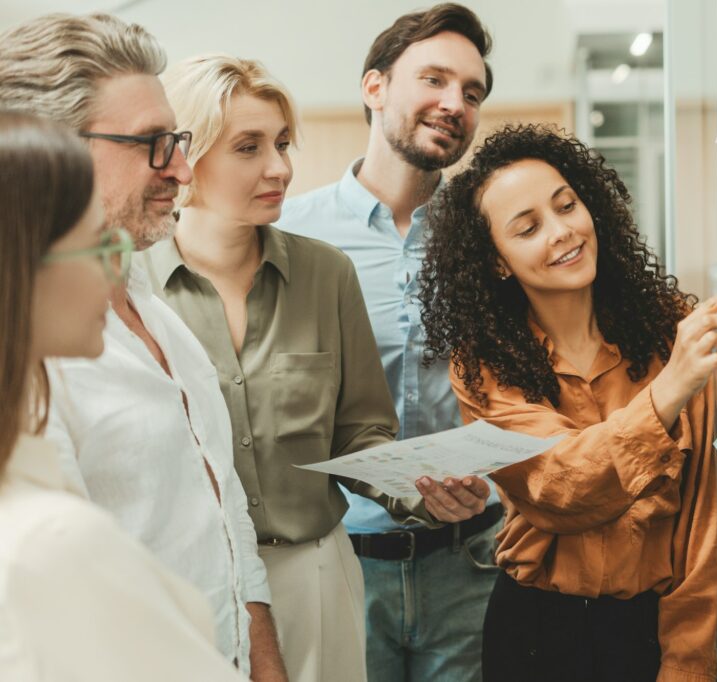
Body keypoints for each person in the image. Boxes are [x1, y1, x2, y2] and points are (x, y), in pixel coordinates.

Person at [147, 53, 490, 682]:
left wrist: (421, 491)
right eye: (248, 147)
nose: (280, 167)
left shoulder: (325, 273)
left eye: (281, 143)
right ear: (184, 157)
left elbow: (361, 432)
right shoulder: (133, 288)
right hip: (188, 586)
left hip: (316, 576)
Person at [0, 14, 286, 679]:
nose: (183, 170)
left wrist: (262, 655)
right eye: (154, 144)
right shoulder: (37, 359)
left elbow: (223, 506)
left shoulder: (157, 309)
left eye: (178, 140)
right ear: (50, 150)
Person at [418, 123, 717, 681]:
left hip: (654, 625)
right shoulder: (482, 365)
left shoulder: (672, 330)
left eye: (567, 205)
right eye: (527, 228)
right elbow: (559, 485)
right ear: (497, 262)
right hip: (536, 629)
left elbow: (706, 520)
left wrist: (689, 658)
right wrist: (670, 389)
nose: (562, 232)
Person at [277, 5, 503, 680]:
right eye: (433, 79)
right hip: (345, 562)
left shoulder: (490, 236)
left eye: (471, 92)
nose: (453, 103)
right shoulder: (292, 235)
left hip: (473, 564)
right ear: (374, 87)